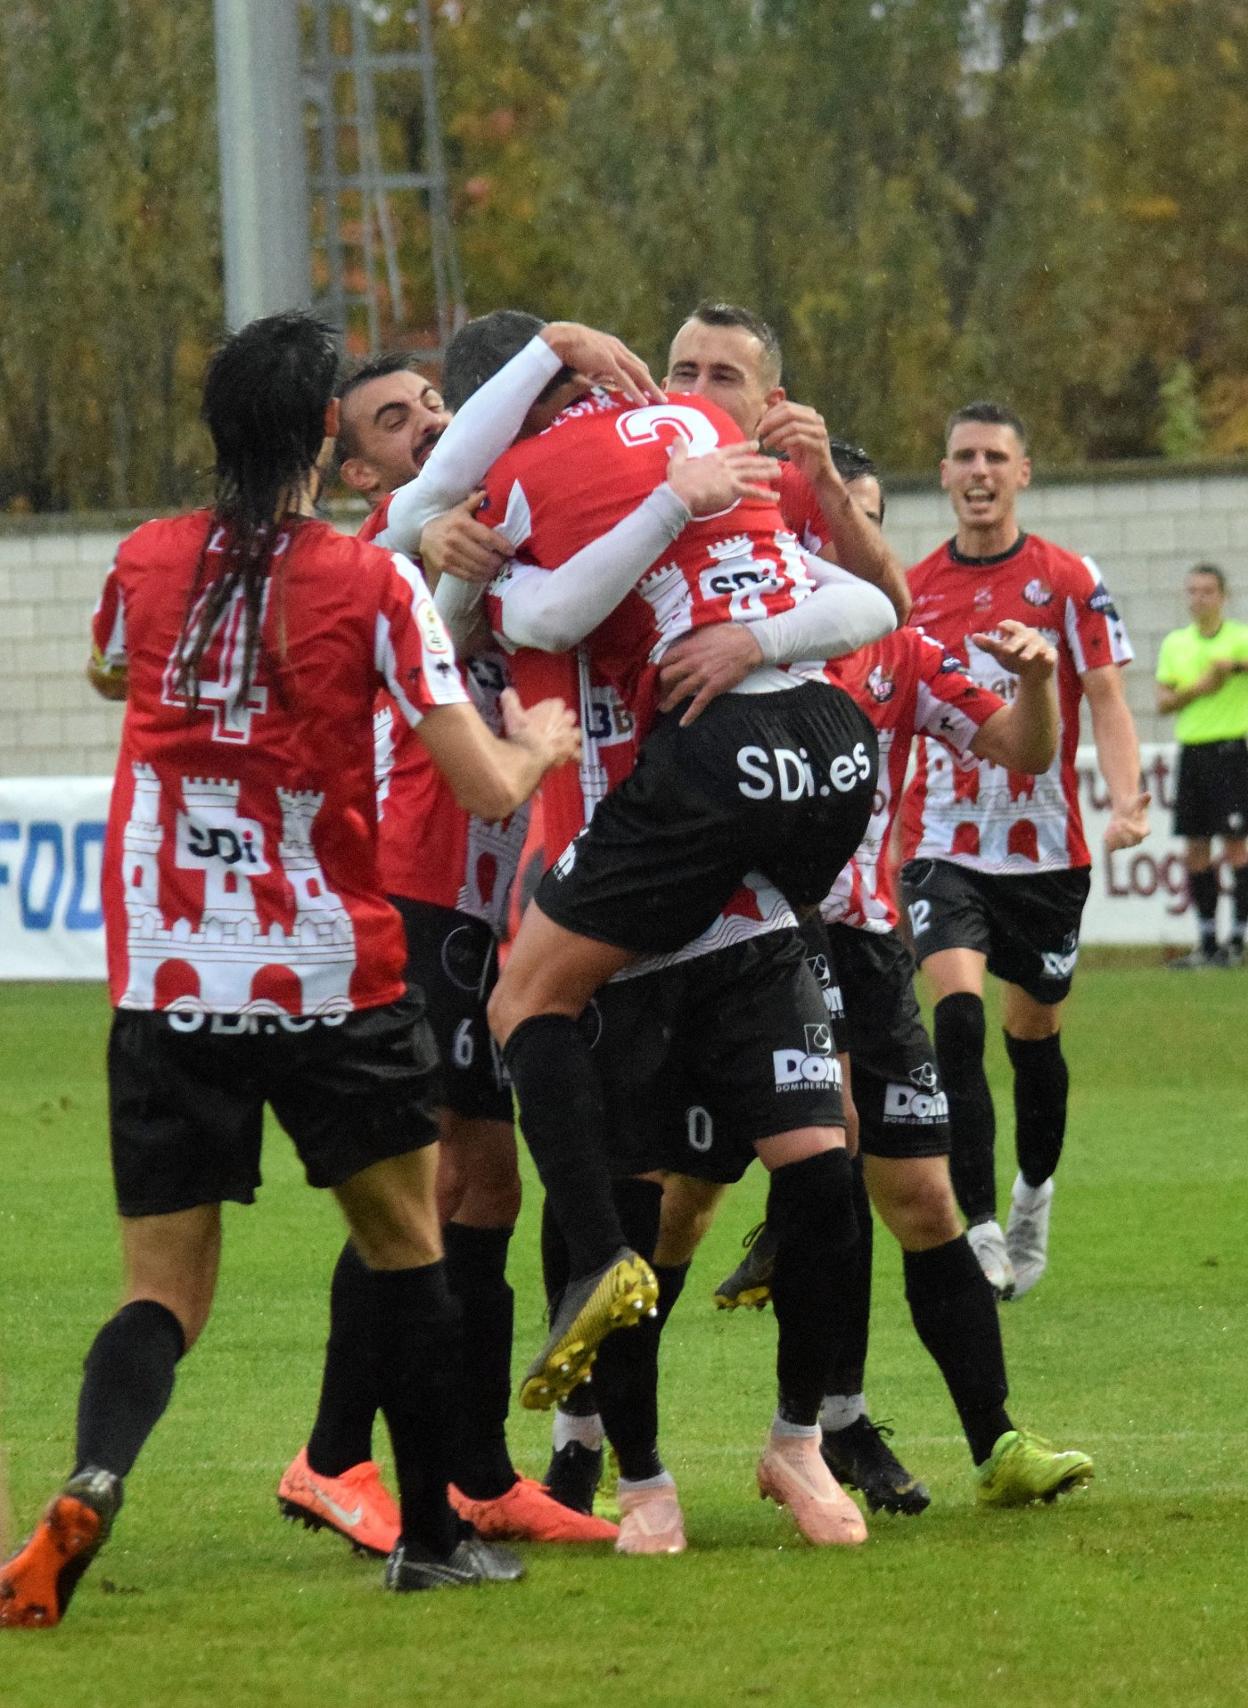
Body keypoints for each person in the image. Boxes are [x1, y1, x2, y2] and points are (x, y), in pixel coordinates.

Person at [0, 311, 580, 1626]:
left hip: (166, 979)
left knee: (160, 1295)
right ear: (328, 433)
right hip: (327, 974)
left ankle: (96, 1470)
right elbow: (484, 788)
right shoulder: (370, 585)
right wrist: (541, 739)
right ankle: (430, 1535)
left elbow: (107, 669)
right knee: (408, 1247)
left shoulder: (143, 563)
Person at [668, 443, 1094, 1512]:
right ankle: (597, 1444)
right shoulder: (739, 647)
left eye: (865, 519)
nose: (847, 542)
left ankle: (988, 1441)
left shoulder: (900, 650)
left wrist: (1038, 682)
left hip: (865, 948)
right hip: (753, 942)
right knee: (681, 1208)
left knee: (919, 1193)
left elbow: (1021, 749)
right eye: (829, 519)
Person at [276, 344, 618, 1553]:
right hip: (417, 878)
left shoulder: (507, 520)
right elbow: (395, 582)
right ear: (356, 457)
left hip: (490, 896)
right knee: (416, 1186)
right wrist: (429, 551)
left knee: (484, 1183)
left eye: (434, 404)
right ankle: (330, 1456)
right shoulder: (380, 551)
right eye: (392, 418)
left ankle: (476, 1469)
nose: (422, 424)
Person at [899, 401, 1149, 1300]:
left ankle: (1032, 1194)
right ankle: (981, 1229)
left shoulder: (1069, 578)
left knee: (1032, 1038)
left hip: (1046, 854)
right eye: (963, 455)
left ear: (1023, 473)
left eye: (995, 457)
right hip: (942, 845)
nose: (978, 471)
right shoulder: (913, 587)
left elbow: (1109, 697)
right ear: (944, 473)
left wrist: (1127, 801)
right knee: (957, 1022)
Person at [1155, 562, 1248, 968]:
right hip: (1192, 752)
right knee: (1195, 847)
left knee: (1235, 845)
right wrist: (1200, 687)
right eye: (1192, 591)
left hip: (1231, 750)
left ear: (1223, 596)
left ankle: (1238, 940)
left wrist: (1236, 667)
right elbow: (1163, 701)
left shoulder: (1239, 639)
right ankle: (1207, 940)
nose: (1199, 599)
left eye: (1207, 591)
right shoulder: (1176, 643)